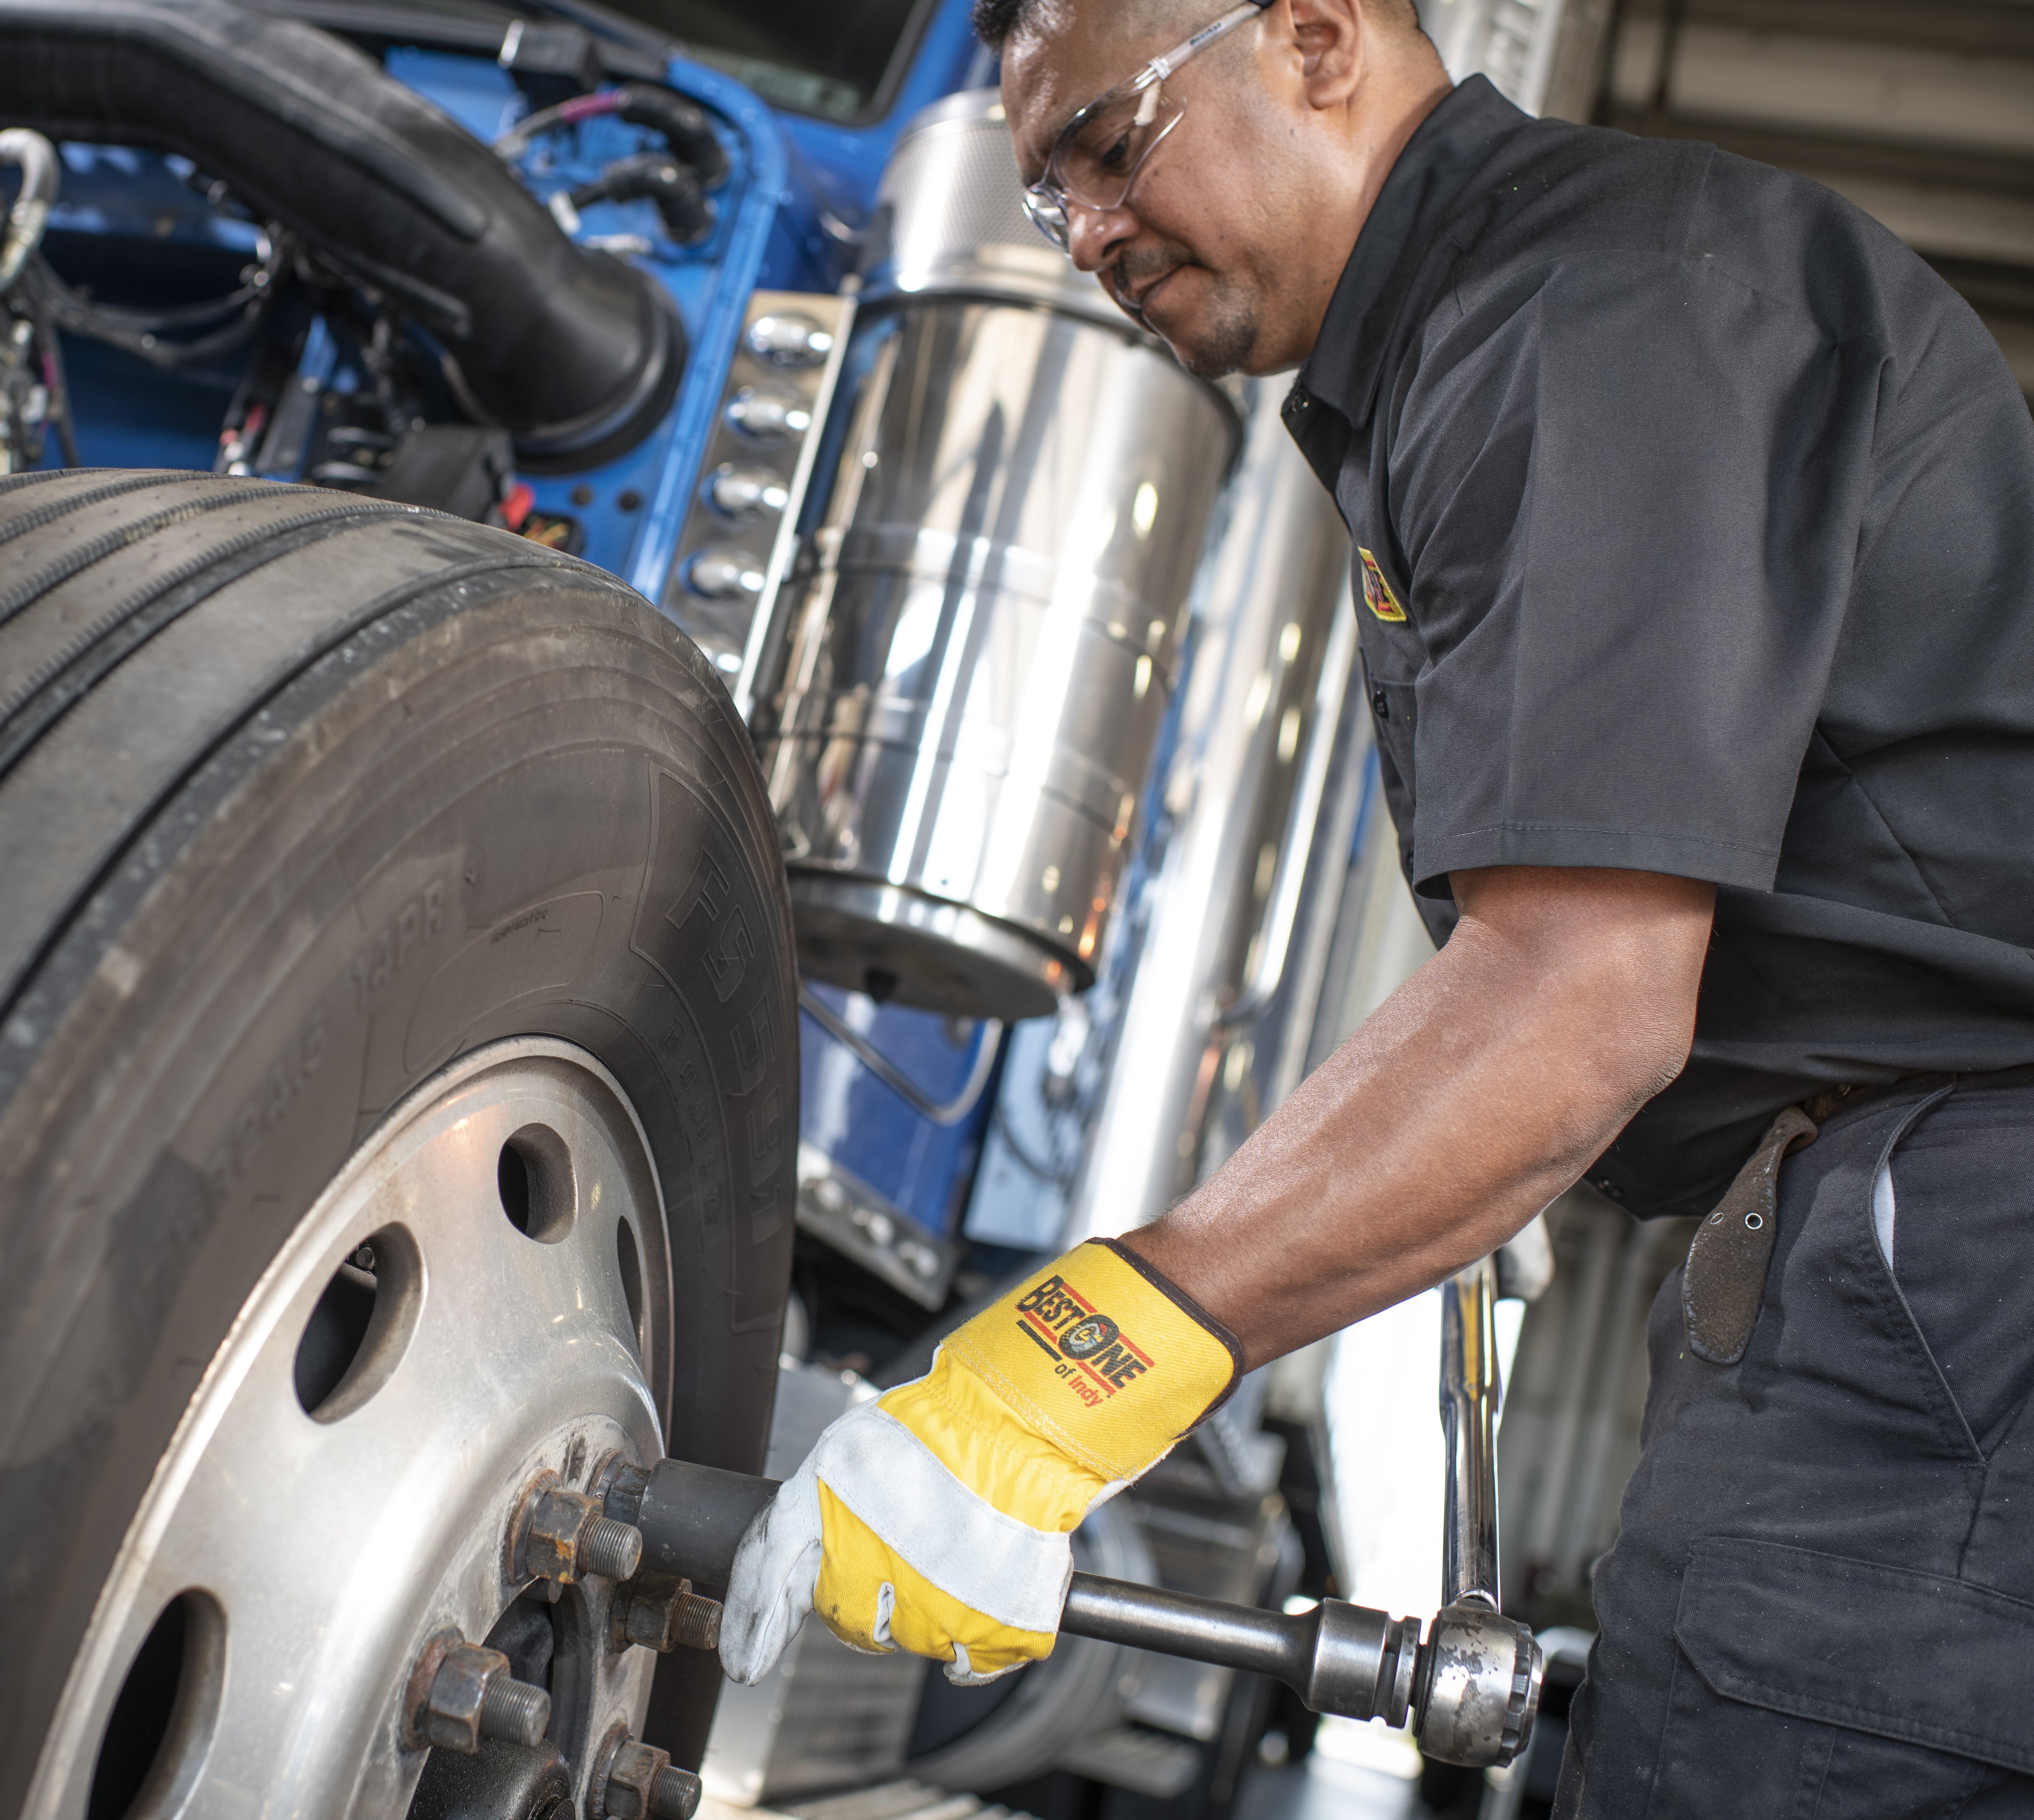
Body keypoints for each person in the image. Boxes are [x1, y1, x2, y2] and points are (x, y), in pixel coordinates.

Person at [716, 1, 2034, 1812]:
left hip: (1960, 1256)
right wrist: (1477, 1154)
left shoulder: (1584, 307)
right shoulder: (1464, 350)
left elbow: (1580, 995)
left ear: (1320, 40)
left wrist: (1060, 1381)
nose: (1088, 234)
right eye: (1047, 198)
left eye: (1110, 147)